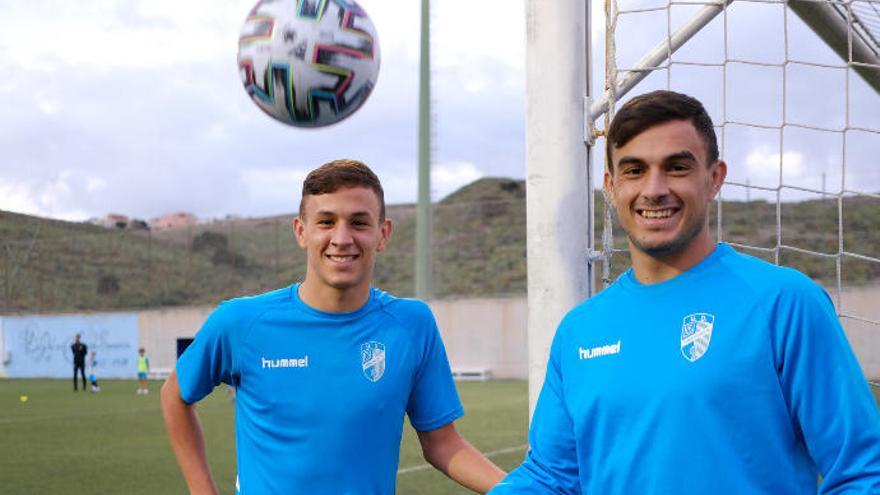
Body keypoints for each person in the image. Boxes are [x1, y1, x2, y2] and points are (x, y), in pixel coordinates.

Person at [490, 90, 880, 494]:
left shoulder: (784, 302)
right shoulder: (580, 330)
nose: (654, 189)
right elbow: (550, 478)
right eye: (634, 170)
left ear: (714, 179)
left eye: (676, 167)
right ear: (611, 186)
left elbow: (863, 471)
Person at [161, 159, 506, 494]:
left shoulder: (411, 325)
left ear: (382, 234)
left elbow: (444, 444)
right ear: (301, 231)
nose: (342, 238)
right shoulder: (242, 322)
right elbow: (175, 396)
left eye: (359, 223)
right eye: (326, 222)